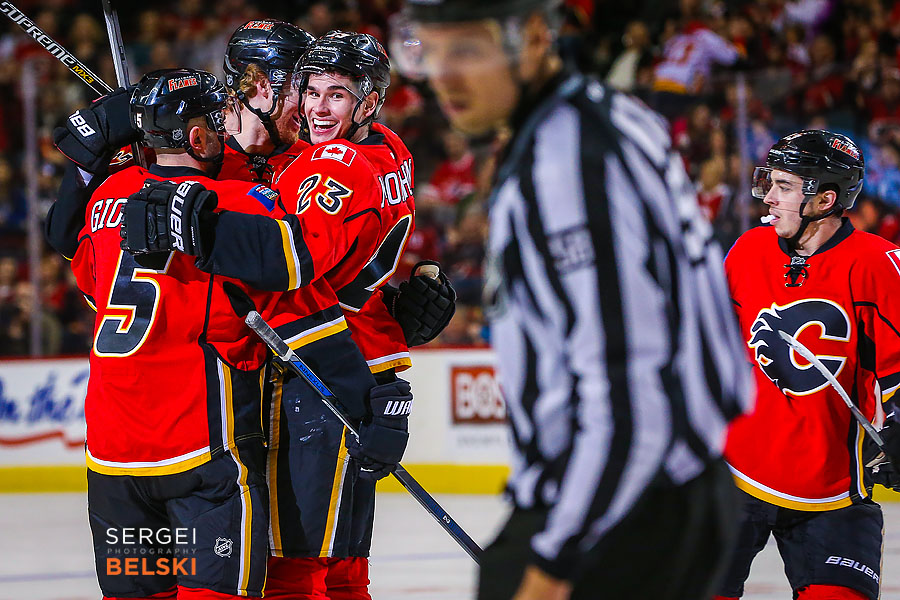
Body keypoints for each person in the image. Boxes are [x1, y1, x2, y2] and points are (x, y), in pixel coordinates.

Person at [401, 1, 754, 599]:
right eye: (429, 51)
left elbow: (630, 386)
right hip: (659, 497)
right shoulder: (604, 115)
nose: (443, 77)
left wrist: (556, 561)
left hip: (624, 516)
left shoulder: (566, 159)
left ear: (534, 38)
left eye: (465, 49)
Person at [120, 31, 453, 599]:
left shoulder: (333, 162)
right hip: (366, 363)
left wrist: (193, 216)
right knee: (343, 571)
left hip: (317, 374)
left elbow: (288, 259)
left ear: (368, 101)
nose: (316, 108)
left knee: (291, 574)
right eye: (309, 90)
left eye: (336, 95)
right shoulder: (388, 147)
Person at [68, 67, 403, 600]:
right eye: (219, 118)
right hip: (202, 459)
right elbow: (302, 304)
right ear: (200, 137)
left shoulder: (111, 194)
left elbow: (91, 283)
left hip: (112, 459)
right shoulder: (236, 205)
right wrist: (378, 399)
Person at [715, 130, 900, 600]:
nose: (768, 197)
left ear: (825, 198)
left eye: (784, 186)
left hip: (833, 495)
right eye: (769, 183)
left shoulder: (877, 264)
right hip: (734, 480)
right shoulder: (747, 251)